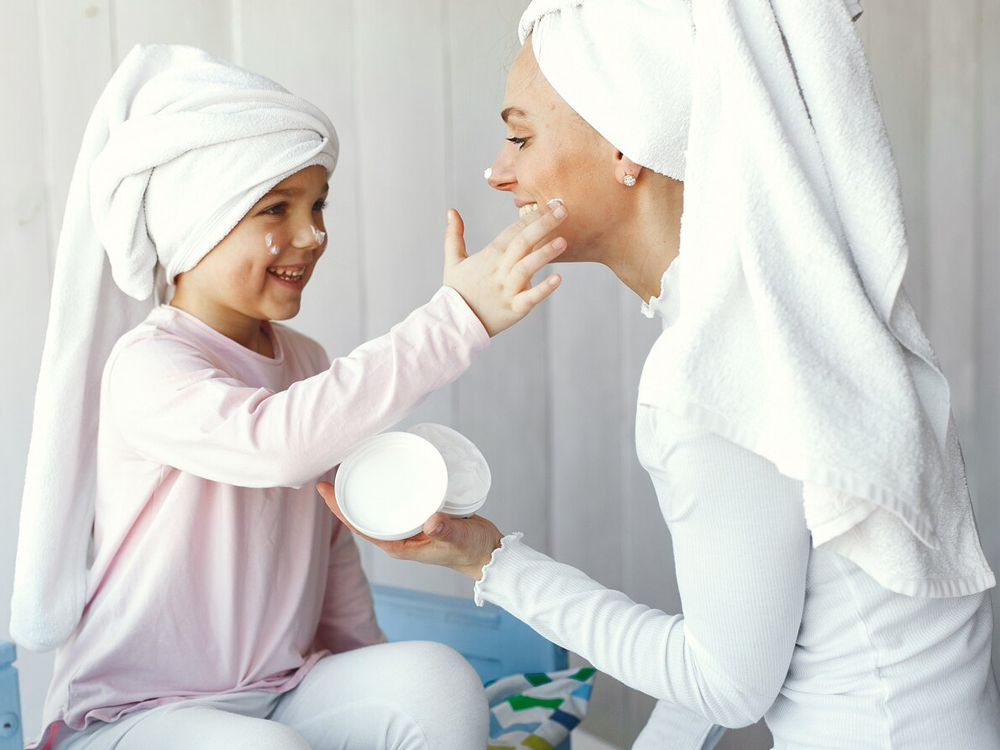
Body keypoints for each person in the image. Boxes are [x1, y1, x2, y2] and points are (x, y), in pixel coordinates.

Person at [321, 1, 1000, 748]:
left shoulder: (714, 373)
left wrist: (490, 559)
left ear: (627, 147)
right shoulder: (789, 324)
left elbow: (724, 684)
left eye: (520, 135)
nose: (497, 170)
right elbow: (740, 639)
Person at [9, 44, 569, 750]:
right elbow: (274, 443)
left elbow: (330, 547)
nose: (313, 234)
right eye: (278, 207)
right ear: (196, 221)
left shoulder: (304, 363)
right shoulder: (147, 366)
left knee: (436, 683)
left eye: (318, 203)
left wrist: (369, 665)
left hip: (280, 692)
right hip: (137, 716)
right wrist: (455, 319)